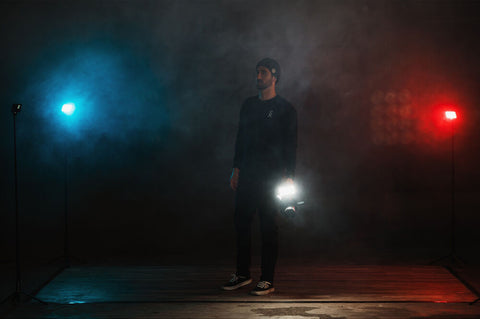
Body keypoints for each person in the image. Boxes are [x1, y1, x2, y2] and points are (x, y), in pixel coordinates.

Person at [222, 58, 297, 295]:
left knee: (268, 226)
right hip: (248, 174)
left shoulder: (286, 109)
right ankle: (243, 274)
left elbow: (290, 145)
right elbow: (240, 139)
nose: (258, 77)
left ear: (274, 77)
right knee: (241, 223)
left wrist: (289, 176)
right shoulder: (248, 105)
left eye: (263, 73)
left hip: (272, 177)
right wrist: (236, 169)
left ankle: (267, 279)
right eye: (256, 72)